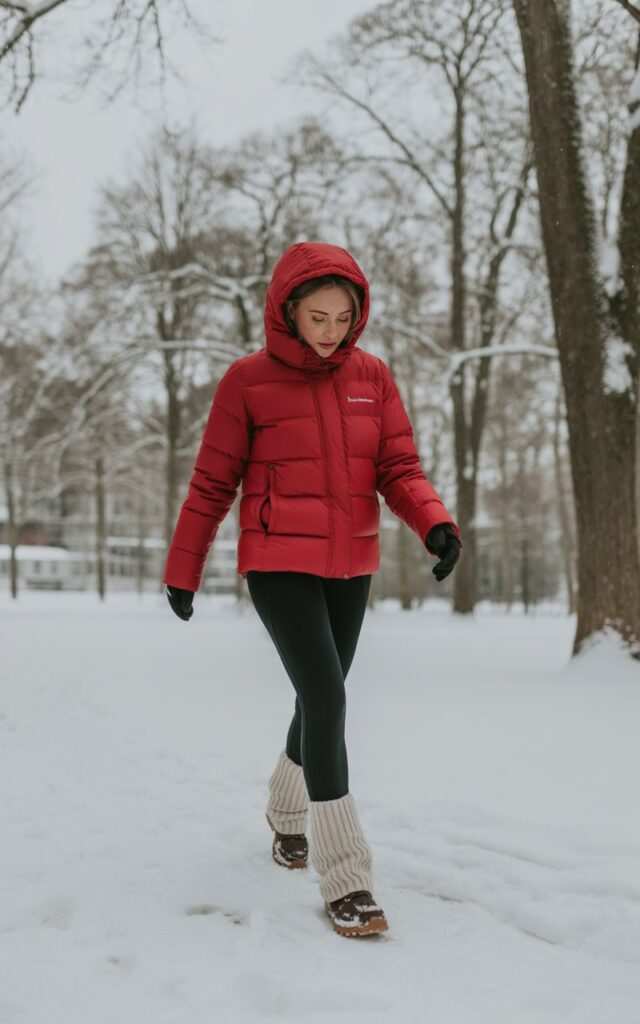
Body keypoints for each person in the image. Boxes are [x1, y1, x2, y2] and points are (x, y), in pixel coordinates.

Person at [163, 240, 462, 939]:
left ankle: (285, 809)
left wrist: (435, 524)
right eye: (317, 316)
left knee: (315, 697)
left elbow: (398, 466)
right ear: (287, 312)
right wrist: (185, 570)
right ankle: (347, 877)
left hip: (351, 562)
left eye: (343, 317)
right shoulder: (247, 381)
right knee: (328, 698)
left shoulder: (373, 377)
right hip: (278, 564)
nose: (330, 331)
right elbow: (213, 482)